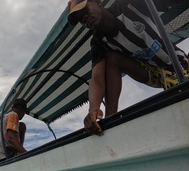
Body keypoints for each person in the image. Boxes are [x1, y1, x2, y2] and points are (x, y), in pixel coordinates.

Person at [67, 0, 188, 136]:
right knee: (112, 58)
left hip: (178, 66)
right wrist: (93, 109)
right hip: (153, 73)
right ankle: (110, 122)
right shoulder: (98, 42)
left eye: (84, 11)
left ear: (97, 2)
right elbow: (97, 78)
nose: (83, 19)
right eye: (79, 19)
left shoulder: (130, 5)